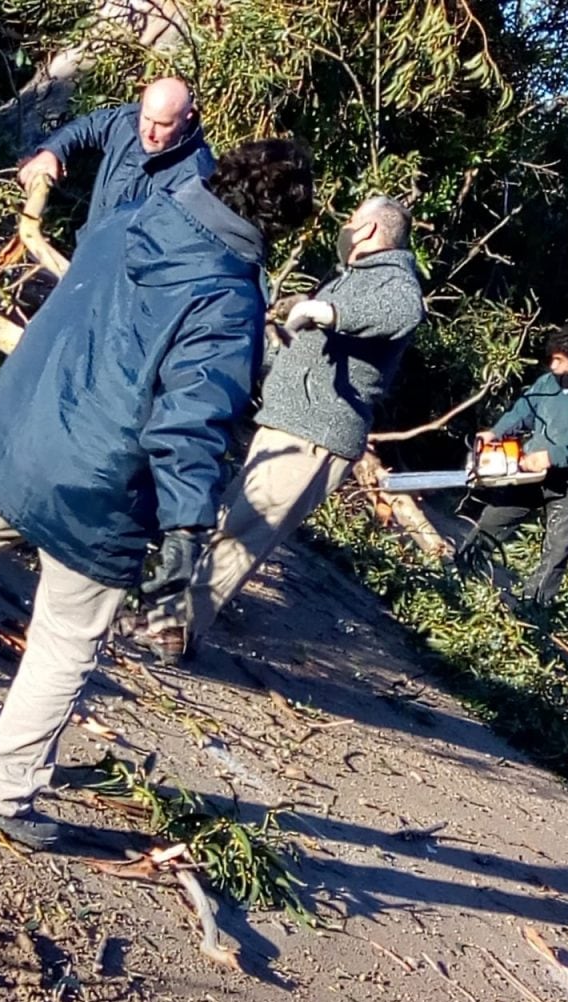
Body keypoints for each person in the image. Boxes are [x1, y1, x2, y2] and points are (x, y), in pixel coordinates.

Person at [0, 138, 313, 850]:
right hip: (101, 489)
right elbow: (191, 420)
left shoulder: (127, 219)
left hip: (14, 439)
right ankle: (2, 788)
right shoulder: (229, 294)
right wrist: (188, 528)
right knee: (65, 640)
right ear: (281, 223)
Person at [134, 195, 425, 664]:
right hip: (289, 424)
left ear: (370, 231)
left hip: (313, 435)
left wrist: (326, 312)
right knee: (230, 523)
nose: (346, 229)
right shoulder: (354, 279)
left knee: (241, 535)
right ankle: (165, 620)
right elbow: (303, 354)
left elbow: (404, 312)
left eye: (352, 222)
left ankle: (173, 632)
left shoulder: (393, 279)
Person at [460, 324, 568, 608]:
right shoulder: (548, 384)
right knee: (494, 520)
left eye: (559, 359)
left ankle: (530, 610)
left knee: (557, 549)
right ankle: (458, 575)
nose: (552, 364)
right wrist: (496, 432)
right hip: (530, 475)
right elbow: (524, 411)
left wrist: (551, 456)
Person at [18, 76, 216, 234]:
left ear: (187, 118)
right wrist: (52, 152)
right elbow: (88, 127)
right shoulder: (127, 121)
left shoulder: (196, 176)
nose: (149, 132)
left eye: (163, 124)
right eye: (146, 118)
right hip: (88, 254)